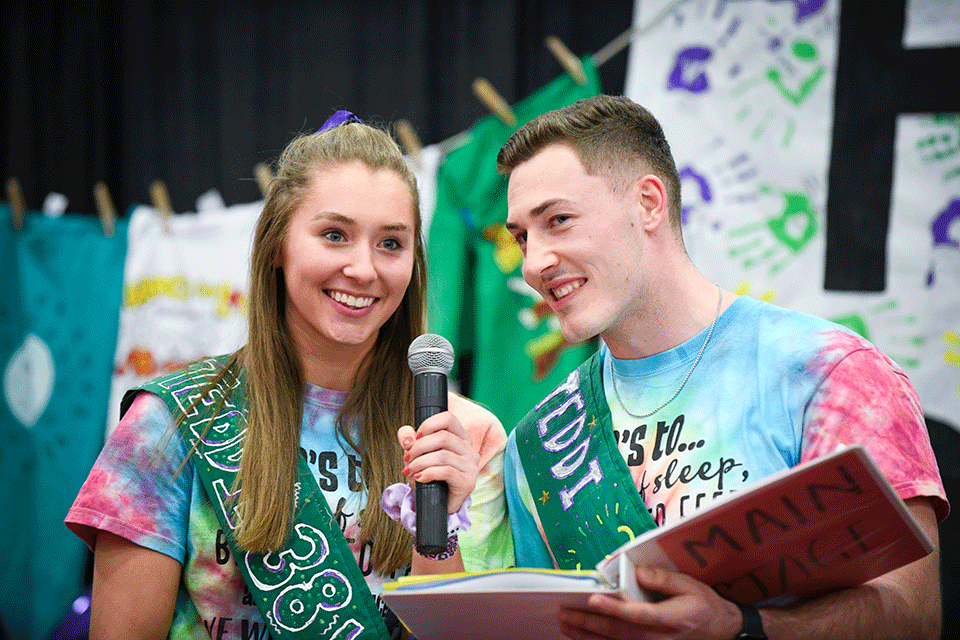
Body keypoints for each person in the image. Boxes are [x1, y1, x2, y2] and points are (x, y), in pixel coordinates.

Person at [497, 94, 948, 640]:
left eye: (558, 221)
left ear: (648, 203)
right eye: (522, 236)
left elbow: (915, 614)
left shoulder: (831, 374)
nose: (533, 262)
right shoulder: (535, 446)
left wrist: (742, 628)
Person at [65, 112, 512, 640]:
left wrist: (439, 534)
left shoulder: (464, 435)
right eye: (334, 235)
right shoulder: (171, 422)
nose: (364, 269)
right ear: (276, 244)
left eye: (391, 243)